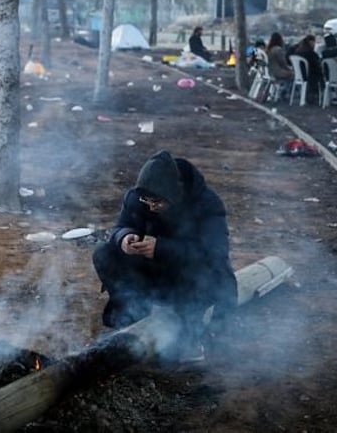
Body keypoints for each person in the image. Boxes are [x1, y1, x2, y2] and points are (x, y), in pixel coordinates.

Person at [93, 150, 237, 362]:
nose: (151, 207)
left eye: (158, 202)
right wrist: (125, 238)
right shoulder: (138, 198)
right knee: (104, 253)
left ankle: (190, 331)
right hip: (156, 274)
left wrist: (161, 248)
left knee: (174, 354)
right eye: (147, 200)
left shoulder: (206, 203)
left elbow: (214, 254)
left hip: (193, 281)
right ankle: (132, 316)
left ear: (174, 194)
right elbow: (120, 227)